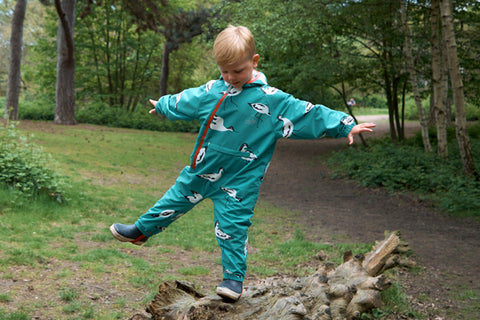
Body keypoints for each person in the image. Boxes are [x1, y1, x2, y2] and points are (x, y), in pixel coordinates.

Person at [110, 25, 375, 301]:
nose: (231, 77)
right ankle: (141, 230)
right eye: (224, 71)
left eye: (237, 71)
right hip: (202, 170)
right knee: (171, 201)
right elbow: (186, 100)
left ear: (254, 61)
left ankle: (233, 280)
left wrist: (345, 125)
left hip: (241, 180)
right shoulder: (213, 90)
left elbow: (308, 113)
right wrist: (164, 105)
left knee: (233, 227)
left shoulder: (273, 101)